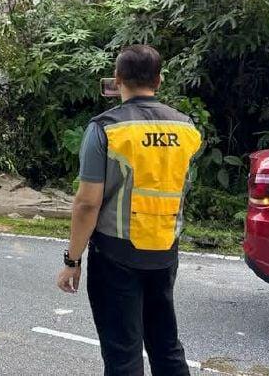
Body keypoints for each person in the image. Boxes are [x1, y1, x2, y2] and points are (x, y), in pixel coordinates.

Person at [56, 45, 203, 376]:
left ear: (117, 79)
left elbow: (87, 203)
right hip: (165, 251)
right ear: (159, 81)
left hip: (116, 255)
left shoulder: (106, 128)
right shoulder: (186, 128)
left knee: (124, 356)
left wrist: (73, 261)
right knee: (166, 347)